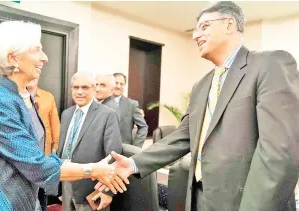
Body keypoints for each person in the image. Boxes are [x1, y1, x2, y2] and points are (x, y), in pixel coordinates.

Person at [96, 2, 299, 211]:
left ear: (229, 24)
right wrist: (133, 164)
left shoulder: (269, 64)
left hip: (246, 202)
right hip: (198, 199)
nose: (195, 36)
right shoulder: (201, 86)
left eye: (204, 26)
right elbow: (182, 137)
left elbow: (279, 153)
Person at [0, 21, 127, 211]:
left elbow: (40, 154)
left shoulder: (24, 96)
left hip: (27, 198)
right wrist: (92, 169)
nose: (45, 58)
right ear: (13, 58)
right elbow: (35, 164)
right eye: (37, 50)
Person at [58, 72, 122, 211]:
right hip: (67, 183)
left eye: (85, 87)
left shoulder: (107, 114)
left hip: (91, 189)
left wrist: (107, 191)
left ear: (94, 89)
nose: (79, 92)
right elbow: (63, 149)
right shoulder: (66, 114)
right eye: (76, 87)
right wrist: (59, 188)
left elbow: (113, 155)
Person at [113, 73, 148, 147]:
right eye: (116, 83)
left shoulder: (132, 104)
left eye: (121, 84)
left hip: (123, 151)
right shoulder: (101, 103)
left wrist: (135, 148)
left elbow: (143, 127)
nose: (118, 86)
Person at [27, 78, 60, 155]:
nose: (32, 77)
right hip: (24, 148)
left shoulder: (48, 97)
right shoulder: (16, 97)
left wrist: (56, 147)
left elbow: (55, 125)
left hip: (45, 151)